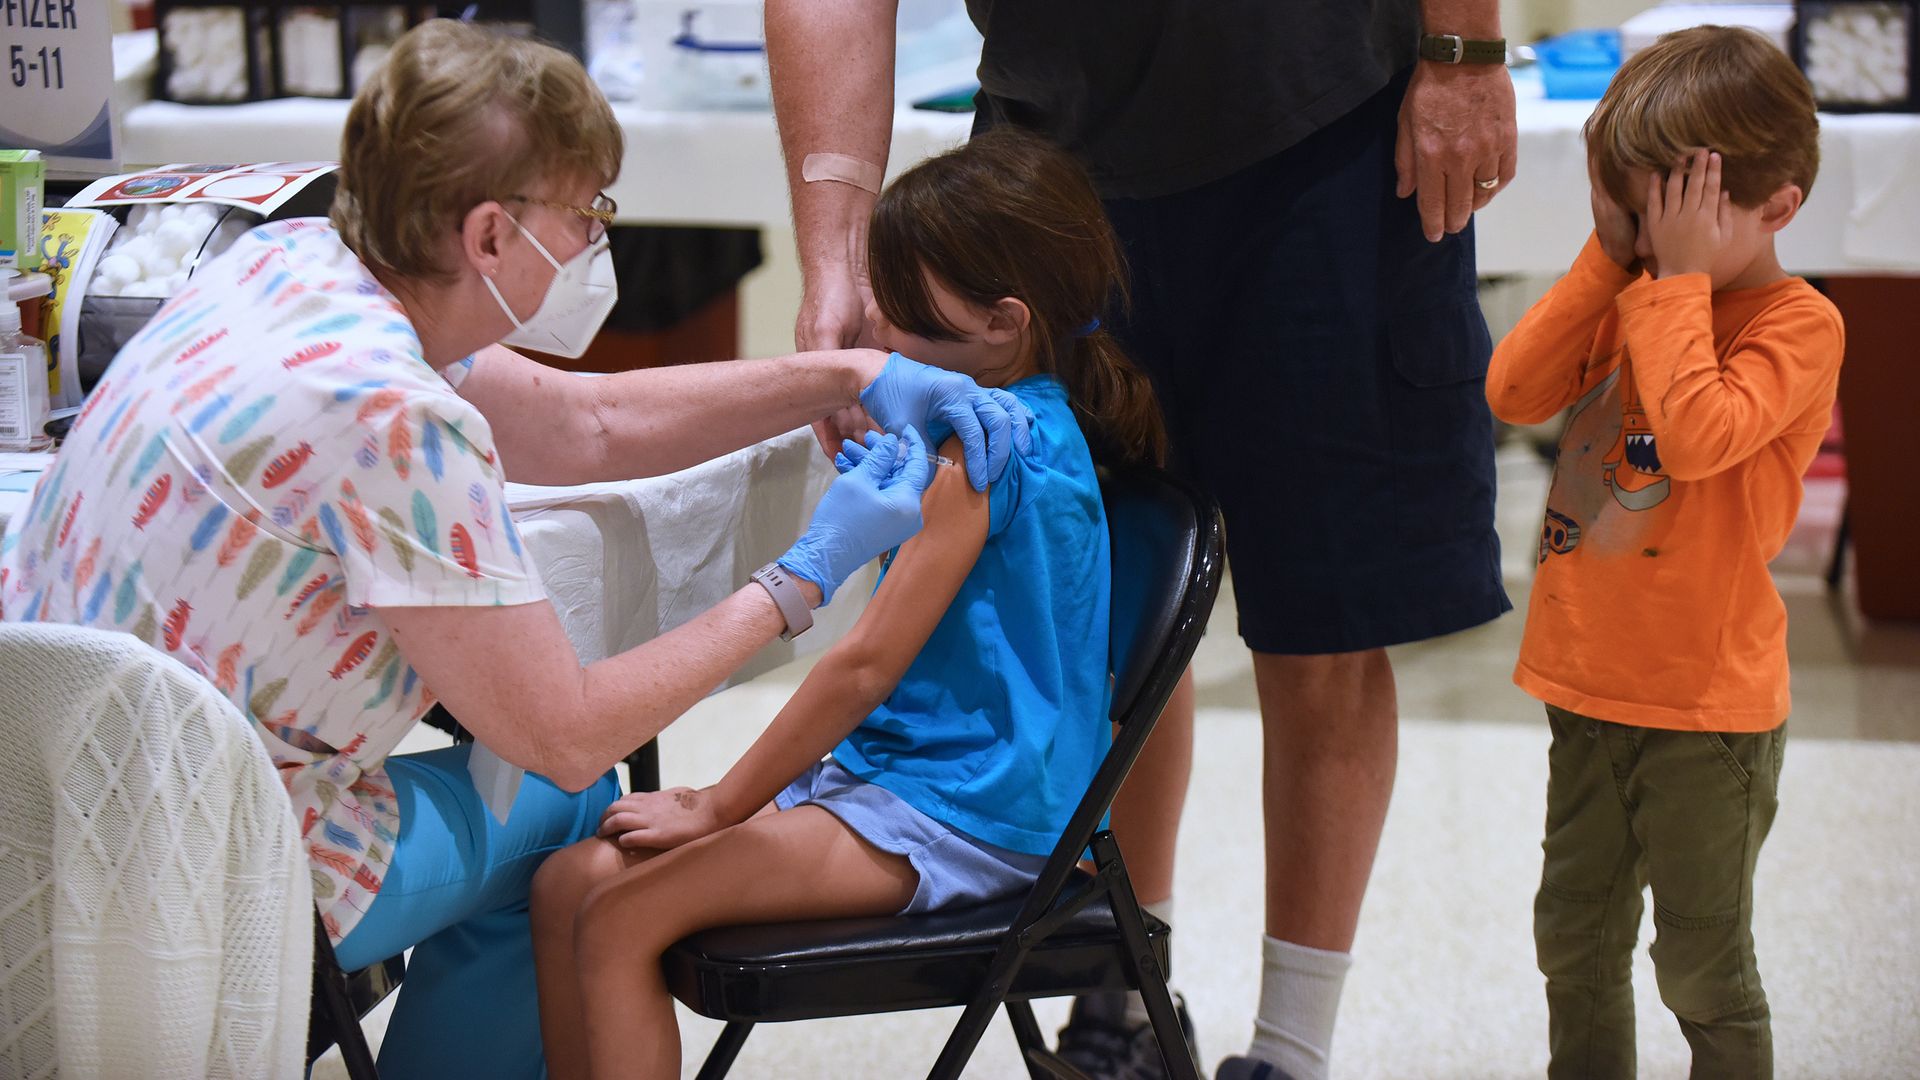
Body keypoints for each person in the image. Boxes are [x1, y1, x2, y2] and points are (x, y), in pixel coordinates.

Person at [0, 20, 1030, 1079]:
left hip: (33, 807)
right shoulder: (392, 419)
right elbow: (568, 734)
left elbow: (583, 425)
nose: (594, 240)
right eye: (587, 214)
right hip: (193, 866)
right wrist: (801, 575)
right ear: (491, 234)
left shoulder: (284, 265)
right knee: (574, 812)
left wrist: (843, 377)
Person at [766, 2, 1517, 1077]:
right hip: (1050, 155)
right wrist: (836, 263)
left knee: (1329, 616)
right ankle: (1117, 988)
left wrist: (1462, 50)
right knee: (1077, 609)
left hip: (1328, 128)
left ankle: (1291, 1051)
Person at [527, 128, 1168, 1080]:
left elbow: (864, 665)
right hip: (901, 780)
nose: (881, 335)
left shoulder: (982, 458)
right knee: (567, 881)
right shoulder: (1004, 424)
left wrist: (718, 802)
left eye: (904, 310)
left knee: (619, 912)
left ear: (1003, 323)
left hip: (971, 818)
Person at [1485, 27, 1841, 1079]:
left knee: (1700, 963)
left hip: (1706, 713)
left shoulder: (1797, 324)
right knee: (1574, 938)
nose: (1649, 239)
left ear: (1777, 209)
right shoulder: (1632, 286)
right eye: (1634, 210)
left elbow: (1693, 436)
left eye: (1673, 215)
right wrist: (1613, 257)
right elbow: (1513, 393)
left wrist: (1674, 287)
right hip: (1589, 687)